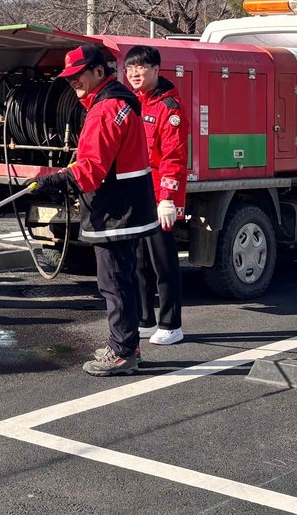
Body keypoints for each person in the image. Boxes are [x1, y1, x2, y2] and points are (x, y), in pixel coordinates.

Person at [37, 45, 158, 377]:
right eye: (69, 77)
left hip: (114, 211)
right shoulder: (119, 103)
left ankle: (122, 352)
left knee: (114, 283)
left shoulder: (105, 109)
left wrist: (54, 180)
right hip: (126, 207)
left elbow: (91, 170)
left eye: (78, 75)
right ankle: (126, 345)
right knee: (121, 280)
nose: (73, 81)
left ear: (99, 71)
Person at [124, 45, 188, 346]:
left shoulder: (169, 107)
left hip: (160, 196)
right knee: (138, 261)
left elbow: (175, 156)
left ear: (155, 70)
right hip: (137, 192)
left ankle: (172, 324)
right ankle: (145, 319)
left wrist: (168, 198)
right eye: (130, 68)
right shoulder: (133, 103)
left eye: (141, 67)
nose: (134, 73)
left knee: (164, 262)